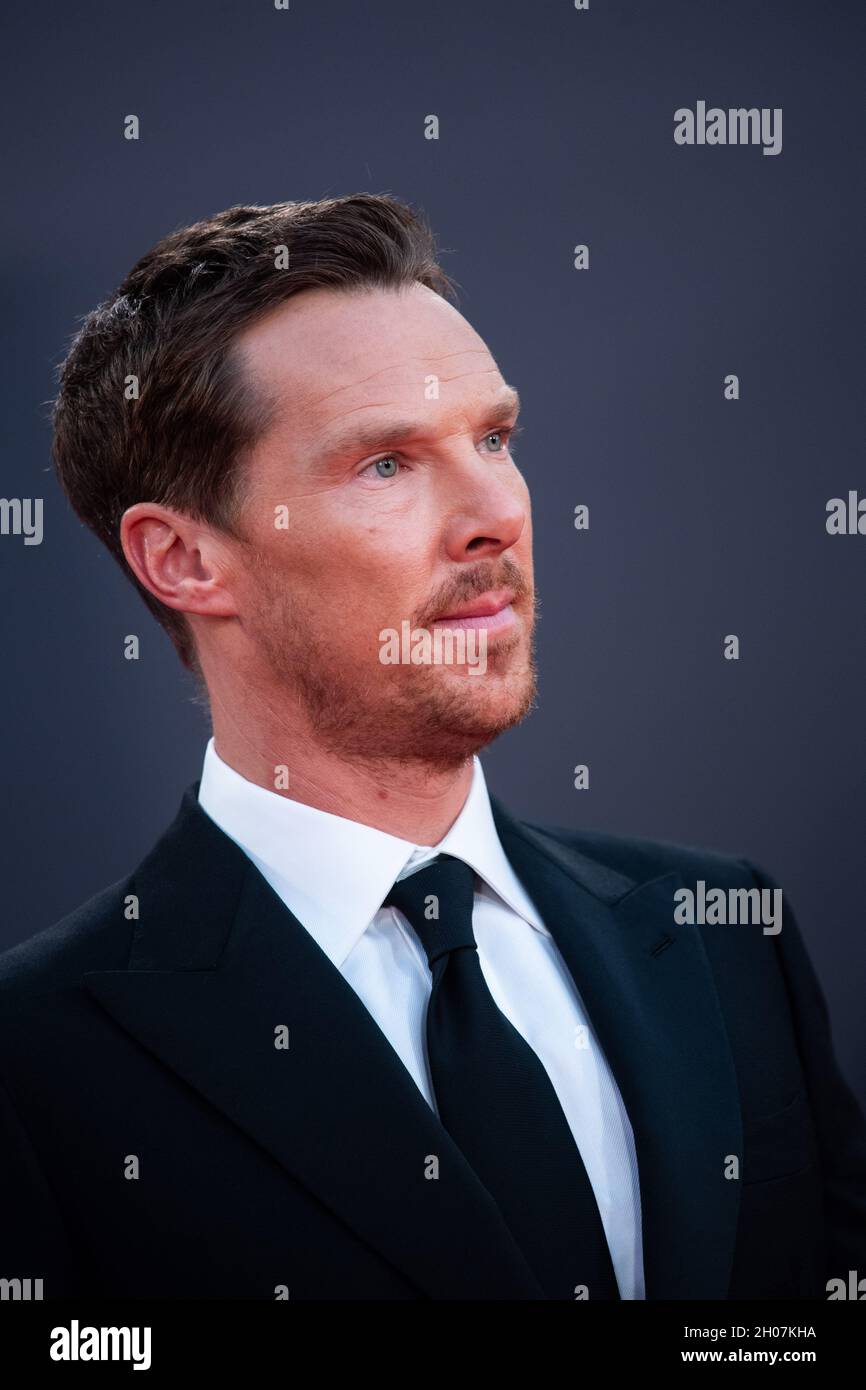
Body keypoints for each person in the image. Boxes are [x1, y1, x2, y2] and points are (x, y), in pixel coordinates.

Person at [1, 195, 864, 1301]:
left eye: (493, 438)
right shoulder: (34, 1063)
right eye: (384, 464)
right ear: (182, 560)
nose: (494, 512)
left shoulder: (719, 932)